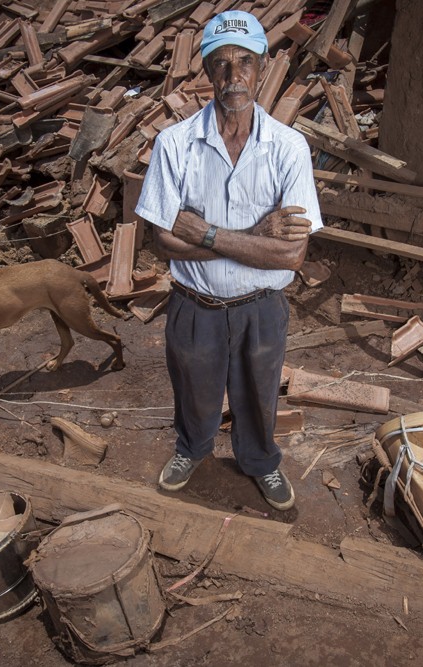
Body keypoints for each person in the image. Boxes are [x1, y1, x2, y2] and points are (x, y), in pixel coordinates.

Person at [134, 10, 323, 511]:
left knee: (260, 394)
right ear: (205, 70)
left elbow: (293, 252)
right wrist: (254, 235)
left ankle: (260, 461)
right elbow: (162, 241)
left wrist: (206, 231)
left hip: (262, 306)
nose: (232, 77)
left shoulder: (289, 148)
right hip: (194, 303)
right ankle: (191, 450)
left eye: (244, 63)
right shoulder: (174, 145)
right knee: (193, 389)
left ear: (261, 67)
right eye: (220, 63)